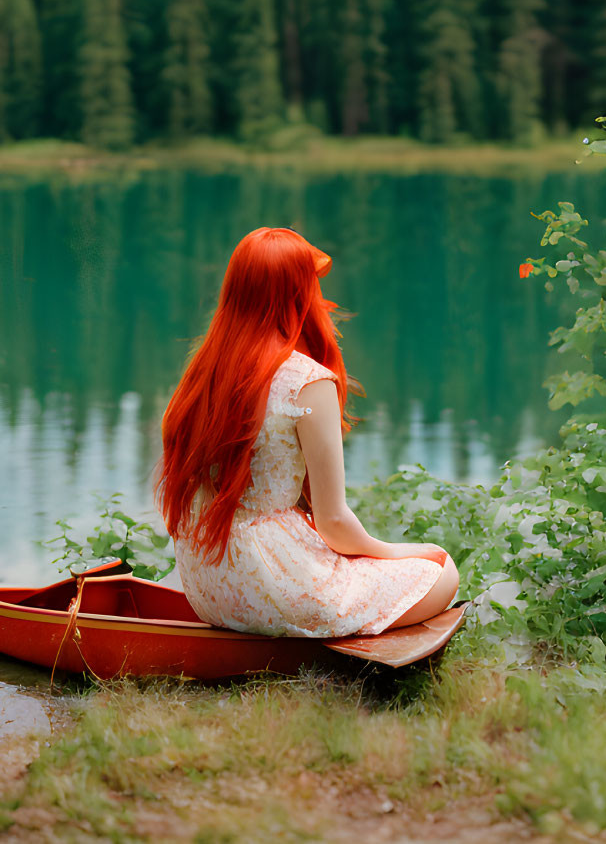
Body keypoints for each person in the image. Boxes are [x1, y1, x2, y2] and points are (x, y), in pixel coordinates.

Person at [155, 226, 459, 637]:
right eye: (312, 285)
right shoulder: (307, 381)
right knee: (441, 568)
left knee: (365, 561)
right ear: (297, 294)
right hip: (272, 587)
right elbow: (333, 522)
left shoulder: (205, 372)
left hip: (209, 589)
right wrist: (394, 552)